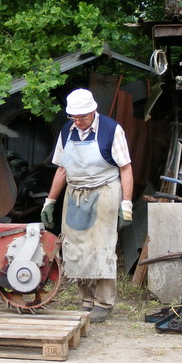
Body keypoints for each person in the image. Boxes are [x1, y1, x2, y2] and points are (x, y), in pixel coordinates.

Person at [41, 88, 133, 323]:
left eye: (82, 117)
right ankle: (86, 300)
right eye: (74, 117)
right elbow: (62, 169)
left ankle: (103, 302)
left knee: (102, 246)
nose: (78, 122)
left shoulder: (112, 130)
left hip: (104, 191)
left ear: (93, 111)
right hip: (75, 194)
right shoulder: (67, 131)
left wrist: (126, 204)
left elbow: (125, 168)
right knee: (75, 247)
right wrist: (50, 201)